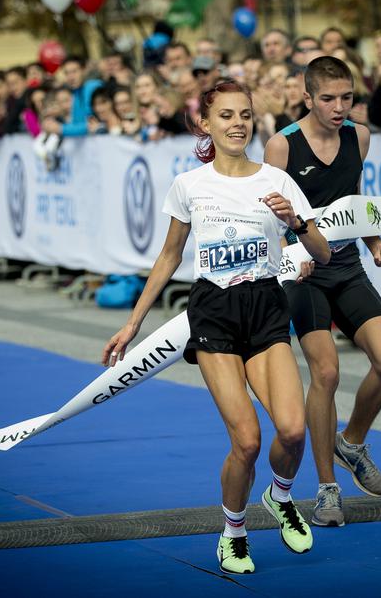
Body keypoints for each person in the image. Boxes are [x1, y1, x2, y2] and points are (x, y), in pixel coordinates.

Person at [103, 81, 331, 575]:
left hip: (267, 307)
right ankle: (232, 531)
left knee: (292, 433)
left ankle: (281, 495)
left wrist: (297, 222)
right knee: (247, 441)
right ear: (205, 123)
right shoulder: (190, 185)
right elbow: (168, 257)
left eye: (245, 115)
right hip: (215, 311)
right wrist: (133, 323)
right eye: (225, 115)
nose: (237, 124)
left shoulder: (277, 181)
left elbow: (322, 253)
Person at [264, 56, 381, 526]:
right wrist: (293, 255)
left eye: (347, 97)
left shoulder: (359, 136)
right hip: (303, 273)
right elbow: (270, 220)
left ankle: (352, 442)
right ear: (307, 98)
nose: (340, 107)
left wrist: (377, 242)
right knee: (325, 373)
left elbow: (354, 200)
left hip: (345, 265)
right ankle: (327, 489)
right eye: (328, 99)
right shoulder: (281, 146)